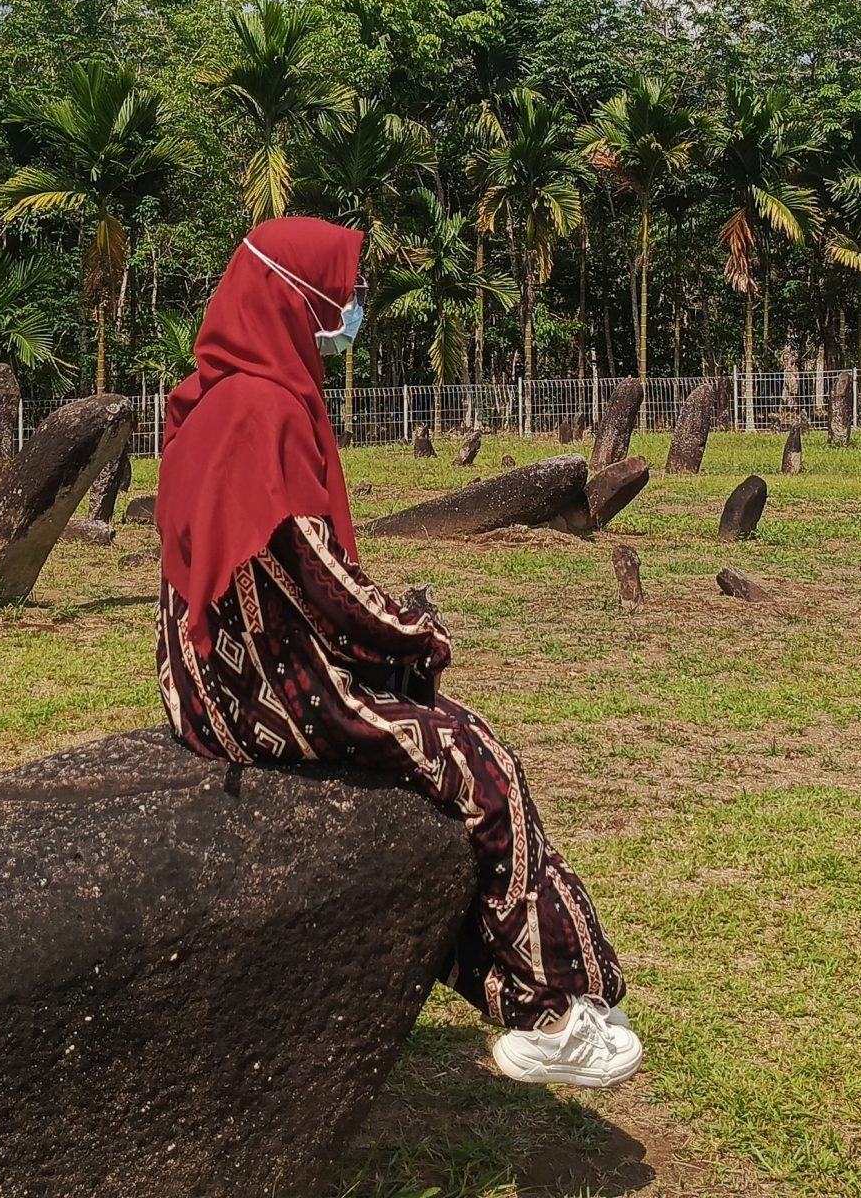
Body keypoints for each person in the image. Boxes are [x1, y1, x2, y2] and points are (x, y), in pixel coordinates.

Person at [155, 215, 640, 1089]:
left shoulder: (212, 398)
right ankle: (563, 1006)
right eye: (341, 294)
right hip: (270, 688)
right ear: (295, 300)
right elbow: (316, 574)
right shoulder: (262, 411)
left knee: (444, 752)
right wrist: (416, 633)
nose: (352, 310)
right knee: (480, 762)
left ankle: (531, 998)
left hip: (211, 681)